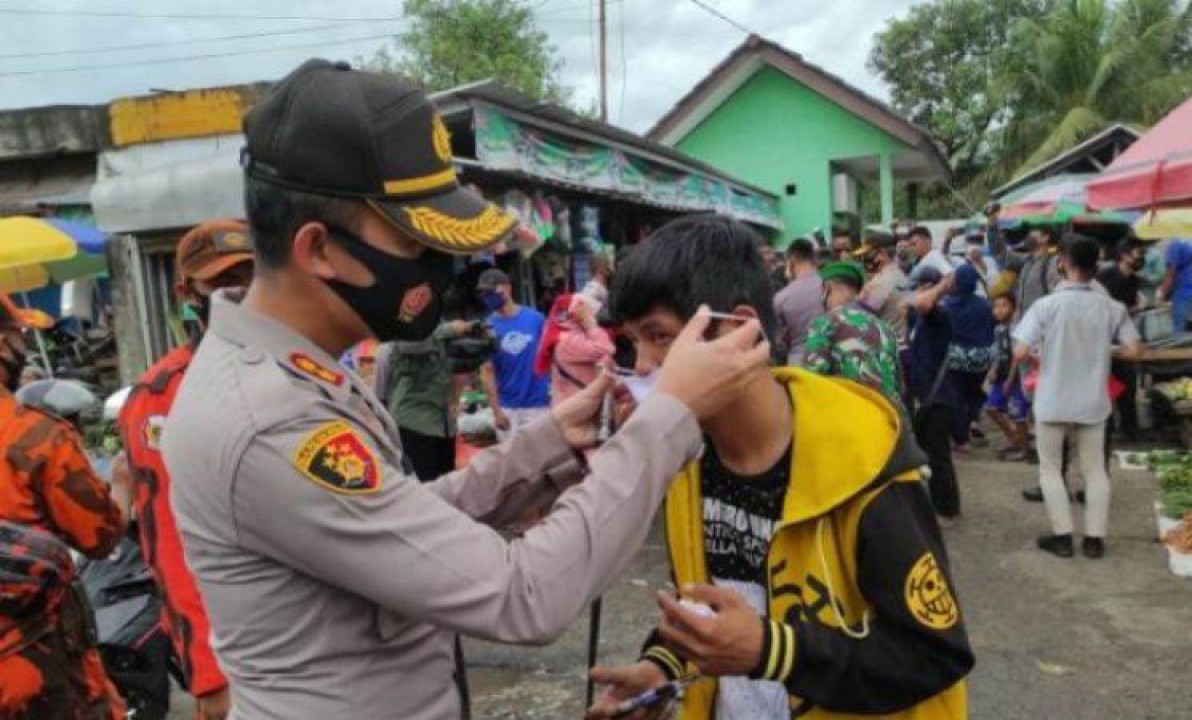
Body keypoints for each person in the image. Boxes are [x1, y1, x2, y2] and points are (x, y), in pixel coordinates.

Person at [160, 59, 768, 720]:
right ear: (319, 249)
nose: (444, 267)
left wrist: (544, 446)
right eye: (412, 240)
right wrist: (669, 416)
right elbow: (521, 594)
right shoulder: (270, 420)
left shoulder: (307, 375)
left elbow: (412, 528)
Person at [588, 214, 973, 720]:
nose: (640, 367)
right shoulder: (687, 459)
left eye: (659, 337)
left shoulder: (867, 463)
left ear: (739, 329)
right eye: (632, 343)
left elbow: (934, 654)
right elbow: (707, 610)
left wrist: (772, 651)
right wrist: (661, 667)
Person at [117, 221, 255, 720]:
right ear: (186, 293)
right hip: (238, 645)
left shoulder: (295, 366)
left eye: (250, 275)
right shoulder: (161, 397)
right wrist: (207, 671)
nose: (239, 292)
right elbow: (168, 543)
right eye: (220, 283)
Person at [0, 292, 128, 720]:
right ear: (3, 345)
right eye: (18, 335)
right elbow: (100, 537)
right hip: (40, 673)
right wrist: (123, 491)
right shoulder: (36, 437)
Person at [1014, 236, 1142, 559]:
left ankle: (1062, 538)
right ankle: (1094, 540)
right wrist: (1104, 348)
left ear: (1062, 264)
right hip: (1093, 401)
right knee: (1095, 470)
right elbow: (1134, 350)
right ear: (1096, 268)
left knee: (1051, 469)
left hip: (1053, 400)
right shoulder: (1110, 307)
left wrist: (1039, 353)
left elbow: (1019, 351)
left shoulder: (1046, 306)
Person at [374, 319, 472, 481]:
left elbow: (457, 370)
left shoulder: (444, 334)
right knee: (424, 487)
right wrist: (450, 330)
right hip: (414, 426)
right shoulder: (397, 341)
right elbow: (410, 344)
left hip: (444, 425)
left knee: (446, 484)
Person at [802, 261, 903, 402]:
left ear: (826, 288)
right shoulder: (885, 328)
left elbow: (811, 377)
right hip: (886, 417)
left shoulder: (825, 323)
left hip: (849, 415)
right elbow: (898, 384)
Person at [907, 267, 962, 518]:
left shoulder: (939, 314)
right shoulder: (922, 318)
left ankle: (947, 508)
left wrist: (940, 287)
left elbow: (921, 303)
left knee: (938, 457)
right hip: (927, 396)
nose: (914, 292)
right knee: (930, 455)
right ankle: (940, 503)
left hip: (938, 398)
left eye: (919, 286)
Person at [476, 267, 551, 439]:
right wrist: (496, 411)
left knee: (541, 461)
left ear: (507, 288)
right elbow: (487, 372)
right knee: (512, 463)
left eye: (491, 292)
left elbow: (551, 357)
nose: (487, 298)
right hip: (508, 408)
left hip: (537, 405)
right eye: (484, 294)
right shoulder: (487, 327)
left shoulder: (536, 319)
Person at [942, 265, 995, 452]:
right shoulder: (986, 305)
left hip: (956, 359)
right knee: (974, 394)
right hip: (981, 359)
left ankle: (961, 438)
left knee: (956, 397)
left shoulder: (947, 305)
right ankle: (970, 423)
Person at [1097, 240, 1144, 439]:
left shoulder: (1134, 280)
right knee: (1105, 386)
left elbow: (1128, 312)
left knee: (1127, 385)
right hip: (1104, 339)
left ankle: (1129, 430)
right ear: (1124, 255)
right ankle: (1106, 429)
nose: (1140, 257)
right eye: (1137, 253)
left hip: (1123, 339)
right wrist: (1136, 308)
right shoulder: (1107, 276)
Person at [984, 294, 1030, 462]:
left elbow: (1016, 356)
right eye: (996, 306)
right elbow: (998, 354)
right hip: (1001, 376)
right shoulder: (998, 330)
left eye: (1004, 305)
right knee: (991, 408)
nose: (999, 310)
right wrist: (993, 370)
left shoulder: (1016, 329)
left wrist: (1010, 379)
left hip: (1016, 377)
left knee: (1019, 414)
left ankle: (1024, 450)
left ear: (1013, 308)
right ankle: (1015, 438)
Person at [550, 293, 615, 404]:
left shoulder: (573, 335)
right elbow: (607, 348)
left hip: (577, 405)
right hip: (573, 411)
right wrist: (590, 324)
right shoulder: (567, 340)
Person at [773, 238, 824, 365]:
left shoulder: (783, 297)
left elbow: (776, 339)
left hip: (798, 363)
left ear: (791, 261)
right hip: (829, 361)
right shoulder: (830, 288)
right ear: (814, 260)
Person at [857, 231, 911, 345]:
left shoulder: (882, 282)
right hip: (899, 341)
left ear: (880, 253)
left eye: (867, 254)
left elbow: (860, 315)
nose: (863, 258)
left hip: (888, 345)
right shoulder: (897, 273)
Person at [1012, 227, 1061, 321]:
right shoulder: (1026, 260)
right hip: (1022, 323)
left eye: (1033, 232)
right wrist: (992, 225)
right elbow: (1001, 253)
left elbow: (1056, 296)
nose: (1028, 236)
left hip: (1040, 324)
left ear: (1045, 238)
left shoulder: (1052, 262)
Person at [1160, 237, 1192, 332]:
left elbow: (1170, 275)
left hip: (1181, 296)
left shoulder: (1176, 245)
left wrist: (1162, 296)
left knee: (1180, 333)